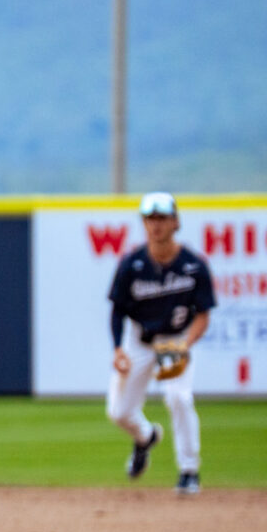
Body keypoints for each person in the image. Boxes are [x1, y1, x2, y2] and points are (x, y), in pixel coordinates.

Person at [106, 191, 216, 495]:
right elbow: (117, 310)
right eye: (150, 219)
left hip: (176, 339)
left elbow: (203, 316)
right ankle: (145, 437)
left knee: (179, 398)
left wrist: (185, 344)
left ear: (176, 222)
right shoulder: (132, 264)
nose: (156, 225)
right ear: (144, 224)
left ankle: (189, 471)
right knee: (118, 411)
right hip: (140, 340)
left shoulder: (194, 265)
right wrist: (117, 349)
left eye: (163, 218)